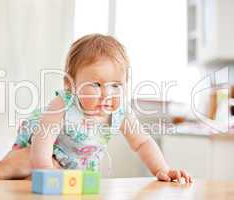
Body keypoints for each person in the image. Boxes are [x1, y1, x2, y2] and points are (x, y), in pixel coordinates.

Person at [13, 34, 192, 183]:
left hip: (76, 169)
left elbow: (142, 142)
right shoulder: (63, 104)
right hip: (40, 157)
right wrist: (45, 170)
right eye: (96, 84)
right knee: (24, 182)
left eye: (116, 85)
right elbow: (42, 139)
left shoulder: (120, 112)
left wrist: (162, 169)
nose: (107, 94)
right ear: (70, 84)